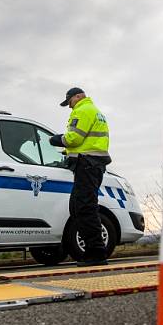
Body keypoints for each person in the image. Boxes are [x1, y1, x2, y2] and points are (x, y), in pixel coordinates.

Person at [49, 87, 112, 266]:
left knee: (84, 207)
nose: (69, 107)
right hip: (91, 164)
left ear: (78, 97)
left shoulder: (83, 110)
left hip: (88, 165)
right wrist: (68, 152)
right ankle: (92, 250)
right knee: (77, 207)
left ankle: (96, 252)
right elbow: (84, 142)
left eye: (69, 102)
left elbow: (74, 138)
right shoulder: (94, 111)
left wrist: (56, 139)